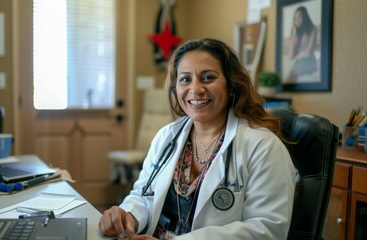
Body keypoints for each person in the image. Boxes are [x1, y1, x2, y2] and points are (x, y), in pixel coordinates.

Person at [98, 38, 296, 239]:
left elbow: (268, 230)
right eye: (185, 79)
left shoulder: (263, 147)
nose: (195, 89)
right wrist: (128, 216)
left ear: (232, 84)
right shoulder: (167, 136)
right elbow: (144, 195)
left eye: (208, 77)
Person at [286, 6, 318, 83]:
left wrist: (296, 57)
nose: (297, 20)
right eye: (295, 18)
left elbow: (308, 52)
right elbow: (290, 57)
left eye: (300, 17)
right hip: (298, 63)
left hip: (309, 62)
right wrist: (294, 34)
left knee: (289, 79)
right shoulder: (296, 34)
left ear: (305, 17)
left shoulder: (313, 29)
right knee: (288, 79)